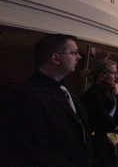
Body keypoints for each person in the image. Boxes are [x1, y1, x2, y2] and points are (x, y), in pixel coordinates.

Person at [4, 34, 91, 166]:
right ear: (55, 58)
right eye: (74, 53)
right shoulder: (25, 95)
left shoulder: (66, 88)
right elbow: (33, 152)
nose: (79, 57)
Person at [81, 58, 118, 167]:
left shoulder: (107, 94)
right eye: (114, 73)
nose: (117, 77)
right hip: (100, 151)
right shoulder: (92, 96)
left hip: (110, 147)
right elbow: (109, 125)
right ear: (101, 76)